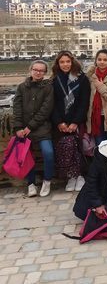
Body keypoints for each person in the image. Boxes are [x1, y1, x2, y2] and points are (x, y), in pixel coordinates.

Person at [13, 60, 55, 197]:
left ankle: (47, 181)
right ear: (31, 70)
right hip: (24, 128)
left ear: (45, 73)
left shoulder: (48, 87)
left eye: (41, 70)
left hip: (42, 128)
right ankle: (31, 183)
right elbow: (17, 109)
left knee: (48, 153)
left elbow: (46, 110)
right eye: (35, 69)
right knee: (26, 156)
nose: (38, 72)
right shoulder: (21, 87)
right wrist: (18, 127)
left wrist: (30, 126)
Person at [51, 51, 90, 192]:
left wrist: (75, 122)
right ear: (58, 64)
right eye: (62, 62)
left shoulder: (82, 79)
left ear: (72, 62)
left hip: (77, 121)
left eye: (68, 61)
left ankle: (80, 176)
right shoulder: (54, 80)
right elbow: (52, 104)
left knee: (78, 149)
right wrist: (59, 122)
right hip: (61, 123)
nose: (65, 64)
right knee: (64, 149)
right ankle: (71, 177)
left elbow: (84, 102)